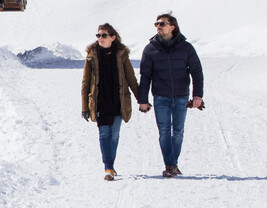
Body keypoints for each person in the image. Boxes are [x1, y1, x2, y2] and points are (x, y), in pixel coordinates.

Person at [137, 13, 205, 178]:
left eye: (162, 24)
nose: (158, 26)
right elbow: (145, 76)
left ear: (172, 27)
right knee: (165, 131)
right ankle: (170, 165)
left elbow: (197, 72)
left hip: (181, 96)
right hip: (161, 97)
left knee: (179, 131)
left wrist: (198, 95)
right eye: (156, 24)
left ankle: (172, 164)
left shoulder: (186, 48)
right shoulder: (150, 49)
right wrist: (143, 100)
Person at [81, 23, 143, 181]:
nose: (100, 38)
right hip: (100, 101)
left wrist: (141, 99)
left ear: (112, 37)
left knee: (114, 135)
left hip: (118, 100)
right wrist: (84, 107)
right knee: (104, 134)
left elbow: (131, 79)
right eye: (98, 35)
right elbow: (85, 83)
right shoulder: (91, 56)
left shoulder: (121, 55)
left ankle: (111, 164)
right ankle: (108, 167)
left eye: (103, 35)